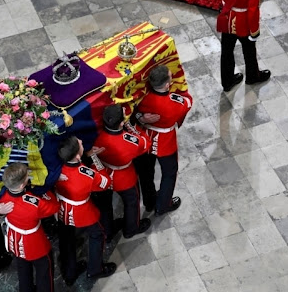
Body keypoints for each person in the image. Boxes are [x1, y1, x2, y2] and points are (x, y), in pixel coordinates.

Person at [55, 136, 117, 285]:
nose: (82, 142)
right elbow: (105, 182)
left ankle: (69, 273)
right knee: (97, 234)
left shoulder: (56, 169)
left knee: (66, 240)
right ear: (77, 155)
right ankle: (95, 268)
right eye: (80, 144)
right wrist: (96, 160)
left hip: (62, 208)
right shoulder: (86, 174)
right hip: (82, 211)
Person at [209, 0, 271, 92]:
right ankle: (252, 76)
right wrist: (254, 32)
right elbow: (253, 11)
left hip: (227, 17)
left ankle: (227, 81)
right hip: (243, 22)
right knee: (249, 51)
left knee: (226, 51)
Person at [133, 65, 192, 215]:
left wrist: (140, 117)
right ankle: (163, 205)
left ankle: (150, 202)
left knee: (146, 173)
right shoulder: (174, 102)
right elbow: (188, 101)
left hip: (146, 138)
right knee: (169, 173)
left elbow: (132, 110)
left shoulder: (143, 97)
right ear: (167, 85)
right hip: (165, 142)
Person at [0, 163, 59, 292]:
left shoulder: (1, 196)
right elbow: (53, 207)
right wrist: (44, 192)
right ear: (23, 185)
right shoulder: (34, 203)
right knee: (44, 271)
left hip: (14, 239)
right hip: (34, 244)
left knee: (23, 268)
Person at [92, 104, 152, 240]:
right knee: (132, 202)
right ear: (121, 123)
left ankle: (108, 232)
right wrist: (130, 127)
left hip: (104, 172)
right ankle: (131, 228)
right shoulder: (128, 141)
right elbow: (145, 143)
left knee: (105, 206)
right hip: (124, 176)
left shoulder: (98, 136)